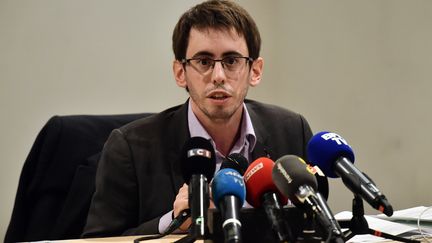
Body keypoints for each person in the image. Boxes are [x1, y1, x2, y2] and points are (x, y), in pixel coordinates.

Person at [82, 0, 328, 238]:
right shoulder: (129, 148)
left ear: (255, 71)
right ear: (181, 73)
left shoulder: (291, 130)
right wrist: (173, 222)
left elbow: (313, 226)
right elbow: (98, 239)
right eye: (204, 61)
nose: (218, 76)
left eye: (231, 61)